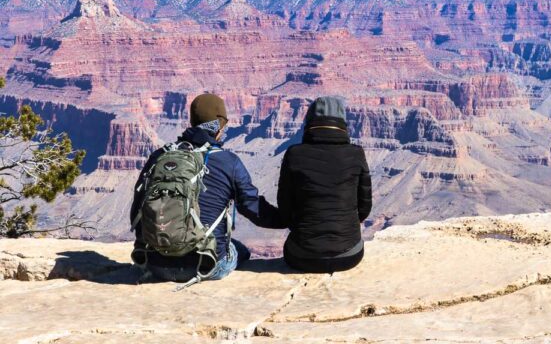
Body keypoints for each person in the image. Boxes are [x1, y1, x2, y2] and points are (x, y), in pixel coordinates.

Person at [130, 93, 284, 287]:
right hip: (204, 265)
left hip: (154, 264)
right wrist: (288, 219)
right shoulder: (229, 161)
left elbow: (137, 211)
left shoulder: (160, 156)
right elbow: (252, 208)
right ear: (219, 126)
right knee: (241, 250)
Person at [277, 96, 372, 273]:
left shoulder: (294, 154)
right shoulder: (357, 154)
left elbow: (285, 209)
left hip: (302, 257)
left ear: (309, 121)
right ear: (343, 123)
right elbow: (365, 207)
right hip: (350, 256)